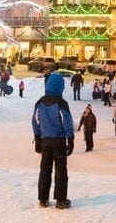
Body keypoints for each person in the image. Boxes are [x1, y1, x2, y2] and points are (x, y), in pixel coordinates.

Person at [31, 71, 74, 209]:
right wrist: (70, 138)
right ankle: (60, 200)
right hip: (59, 142)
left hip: (45, 141)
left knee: (45, 169)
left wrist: (37, 138)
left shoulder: (40, 102)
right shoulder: (61, 103)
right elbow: (67, 122)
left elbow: (35, 121)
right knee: (61, 170)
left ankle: (43, 199)